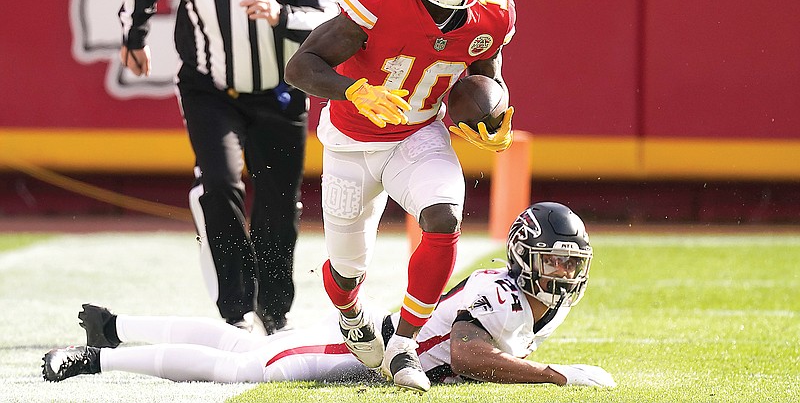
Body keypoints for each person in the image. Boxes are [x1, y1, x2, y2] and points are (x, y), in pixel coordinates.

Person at [282, 0, 515, 392]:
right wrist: (353, 90)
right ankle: (351, 316)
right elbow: (300, 67)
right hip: (351, 139)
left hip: (417, 131)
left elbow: (486, 78)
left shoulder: (492, 12)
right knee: (346, 272)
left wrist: (492, 118)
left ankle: (404, 342)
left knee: (443, 216)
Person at [42, 202, 616, 390]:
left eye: (572, 263)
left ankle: (113, 325)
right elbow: (466, 353)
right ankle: (100, 357)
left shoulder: (538, 299)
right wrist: (553, 375)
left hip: (374, 340)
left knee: (248, 348)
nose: (564, 274)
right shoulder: (502, 291)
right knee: (247, 369)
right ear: (525, 257)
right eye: (556, 261)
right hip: (362, 350)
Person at [117, 0, 339, 335]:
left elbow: (330, 18)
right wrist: (134, 37)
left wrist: (282, 15)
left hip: (280, 92)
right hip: (210, 88)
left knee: (278, 204)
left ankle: (274, 313)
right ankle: (236, 311)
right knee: (219, 184)